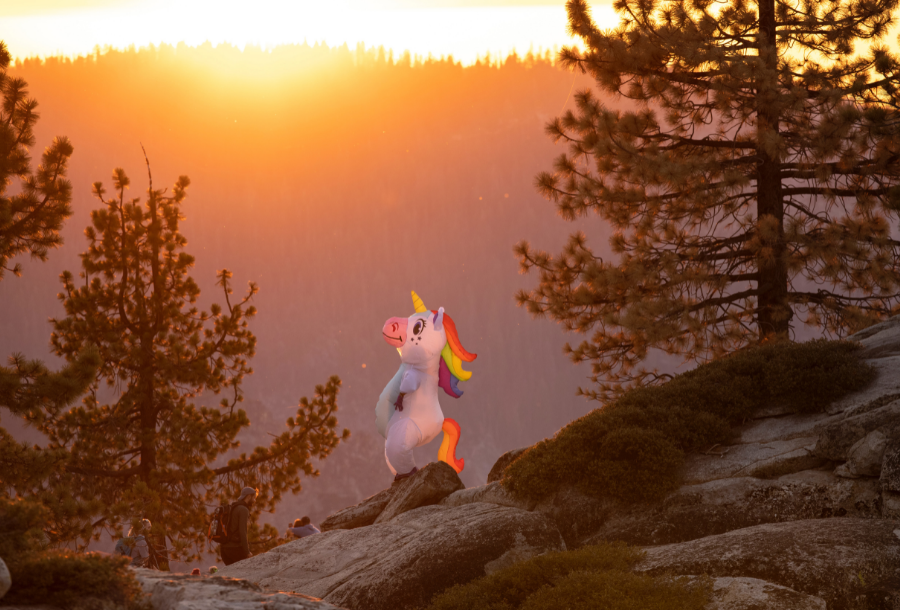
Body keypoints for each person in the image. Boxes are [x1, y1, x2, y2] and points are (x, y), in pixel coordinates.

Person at [219, 487, 257, 566]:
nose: (254, 501)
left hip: (224, 549)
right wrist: (247, 552)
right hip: (235, 549)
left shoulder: (233, 507)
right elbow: (243, 532)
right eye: (254, 498)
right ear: (249, 497)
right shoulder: (243, 510)